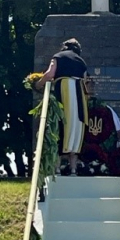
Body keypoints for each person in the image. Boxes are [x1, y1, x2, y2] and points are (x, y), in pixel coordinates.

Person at [36, 38, 89, 176]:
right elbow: (85, 81)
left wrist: (38, 84)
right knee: (76, 127)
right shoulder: (81, 62)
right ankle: (73, 169)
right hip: (79, 96)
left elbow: (50, 74)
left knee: (59, 126)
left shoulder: (58, 57)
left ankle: (57, 169)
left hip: (64, 92)